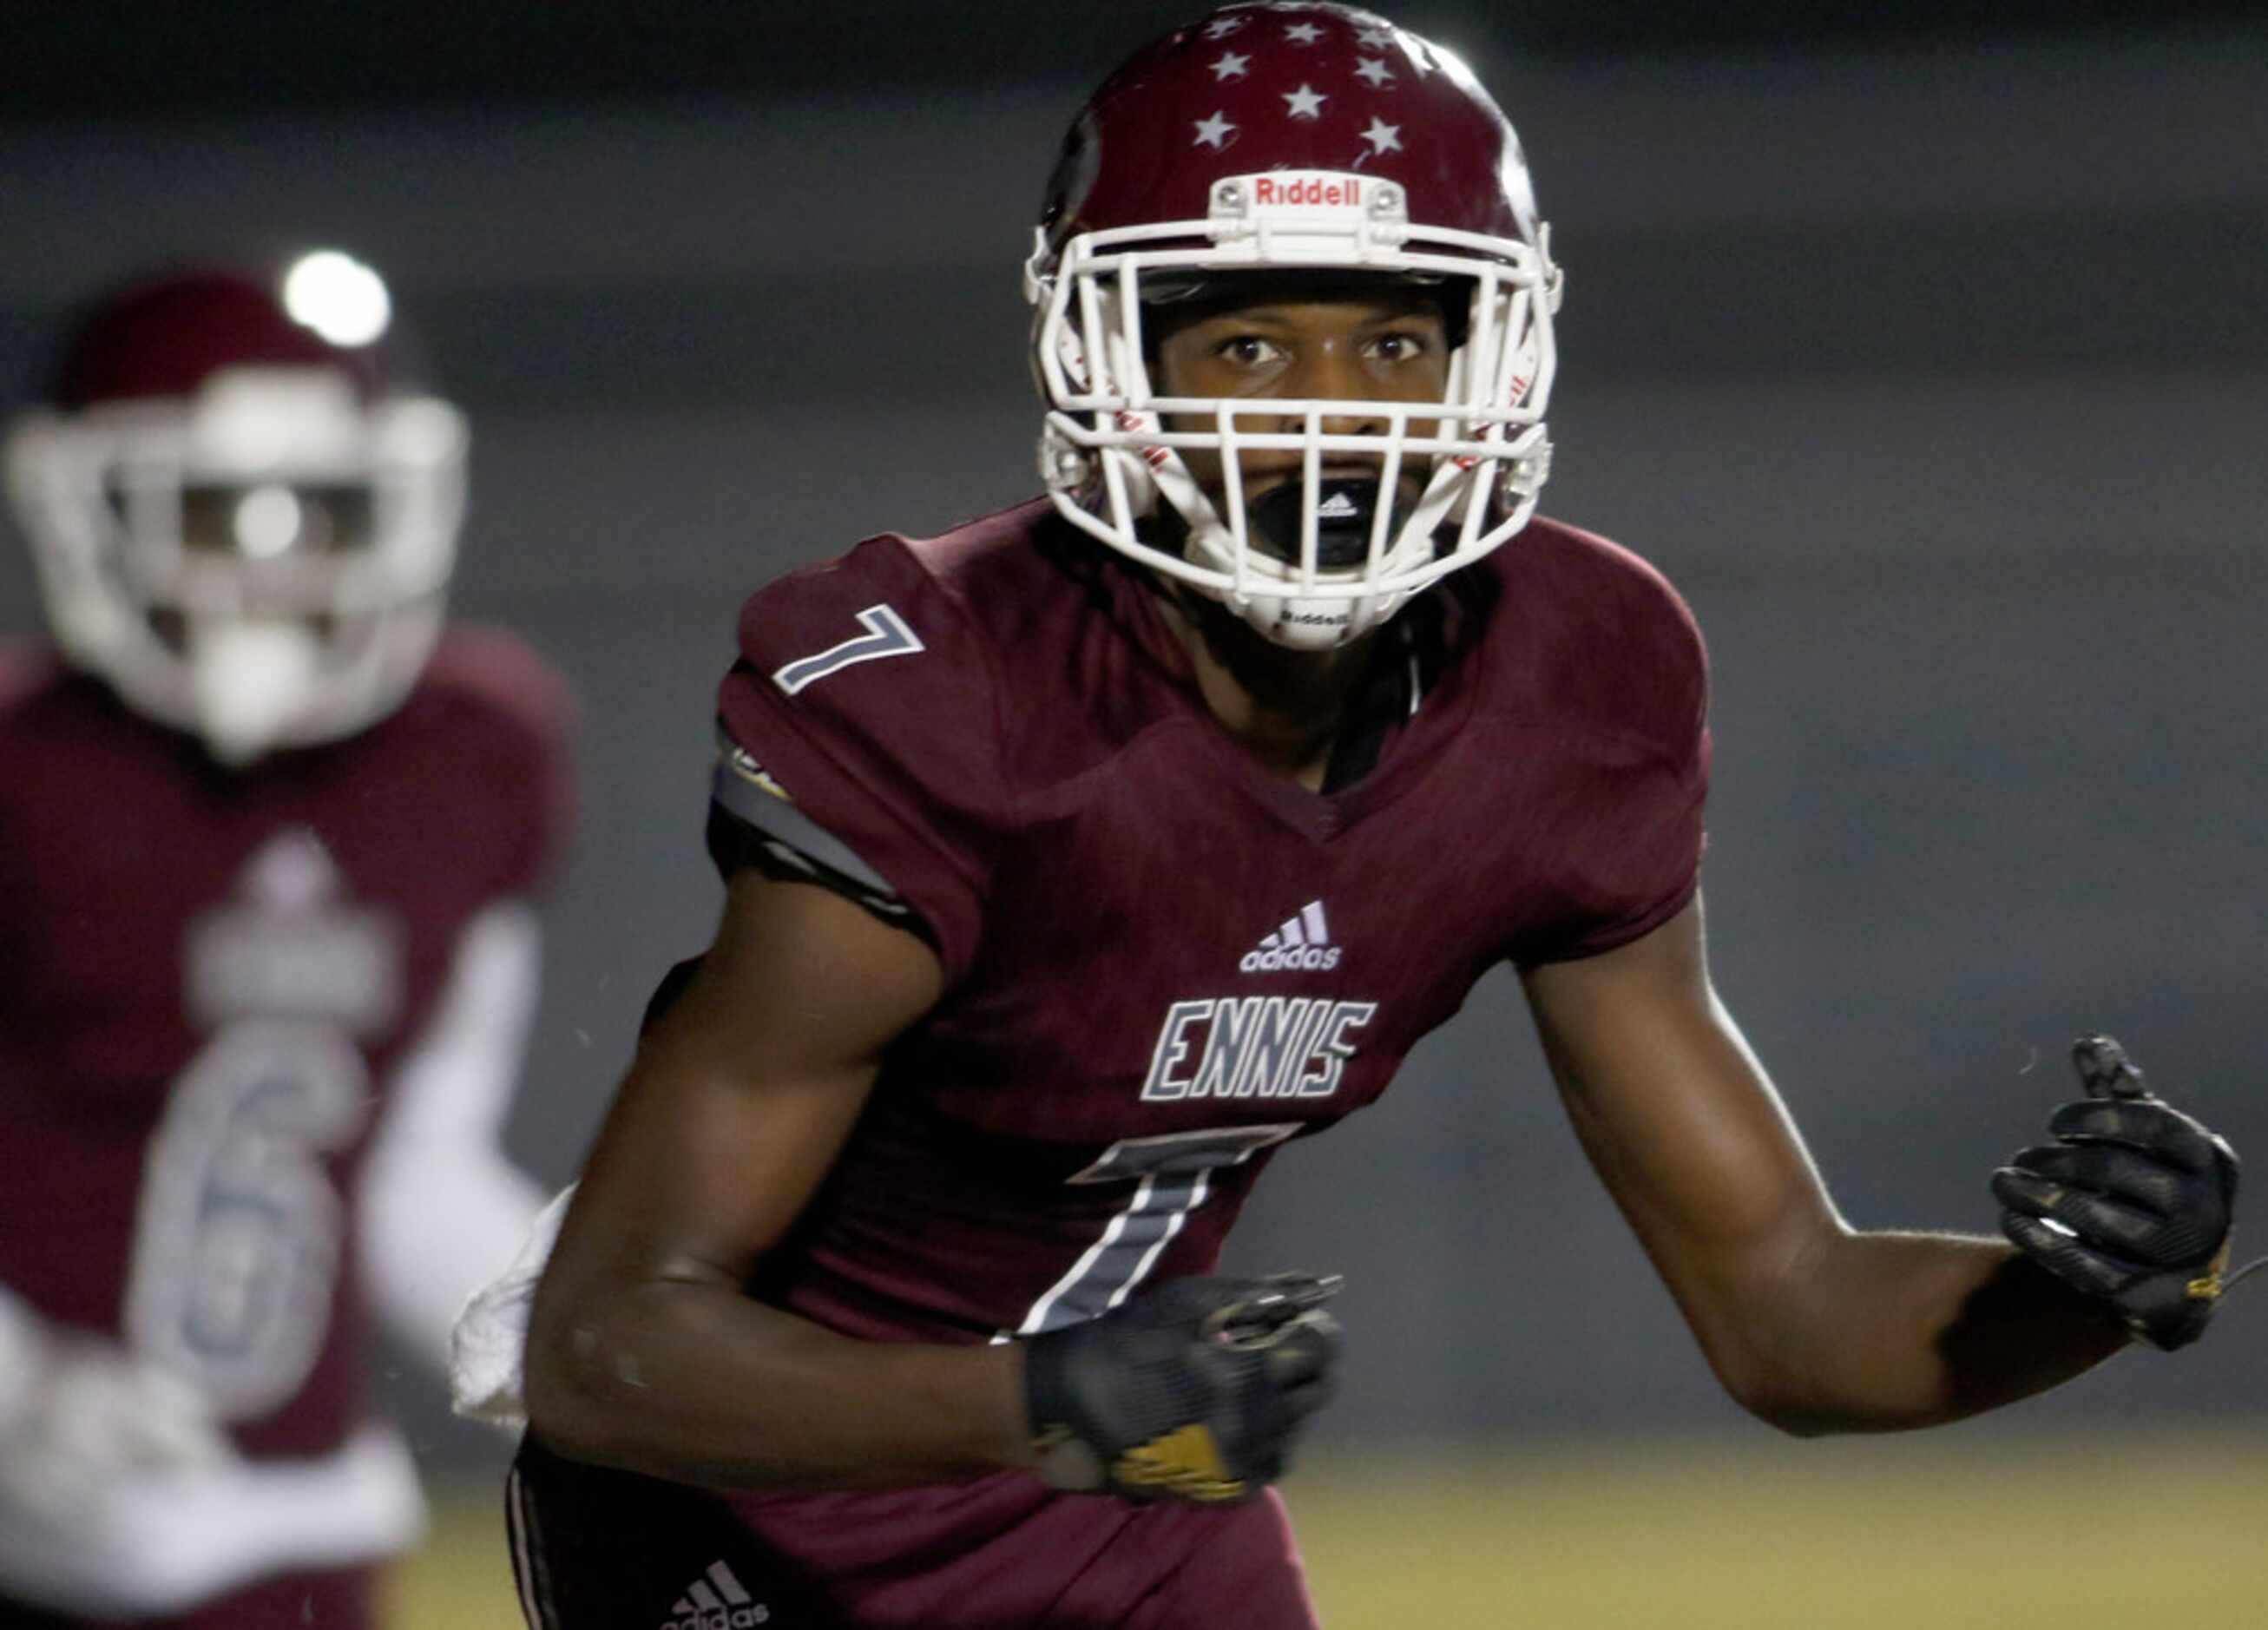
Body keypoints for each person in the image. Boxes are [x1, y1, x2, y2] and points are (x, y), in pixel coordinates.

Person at [481, 5, 2247, 1627]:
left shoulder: (1577, 669)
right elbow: (606, 1346)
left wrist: (2088, 1293)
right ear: (1105, 347)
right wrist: (1041, 1403)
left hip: (1138, 1483)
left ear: (1499, 345)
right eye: (1247, 341)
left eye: (1394, 338)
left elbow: (1784, 1311)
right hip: (768, 1509)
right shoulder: (953, 704)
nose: (1327, 414)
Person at [0, 251, 575, 1628]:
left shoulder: (470, 756)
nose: (267, 564)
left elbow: (413, 1163)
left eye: (317, 509)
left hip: (294, 1522)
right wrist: (14, 1392)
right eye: (209, 510)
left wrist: (591, 1341)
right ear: (84, 506)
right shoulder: (26, 776)